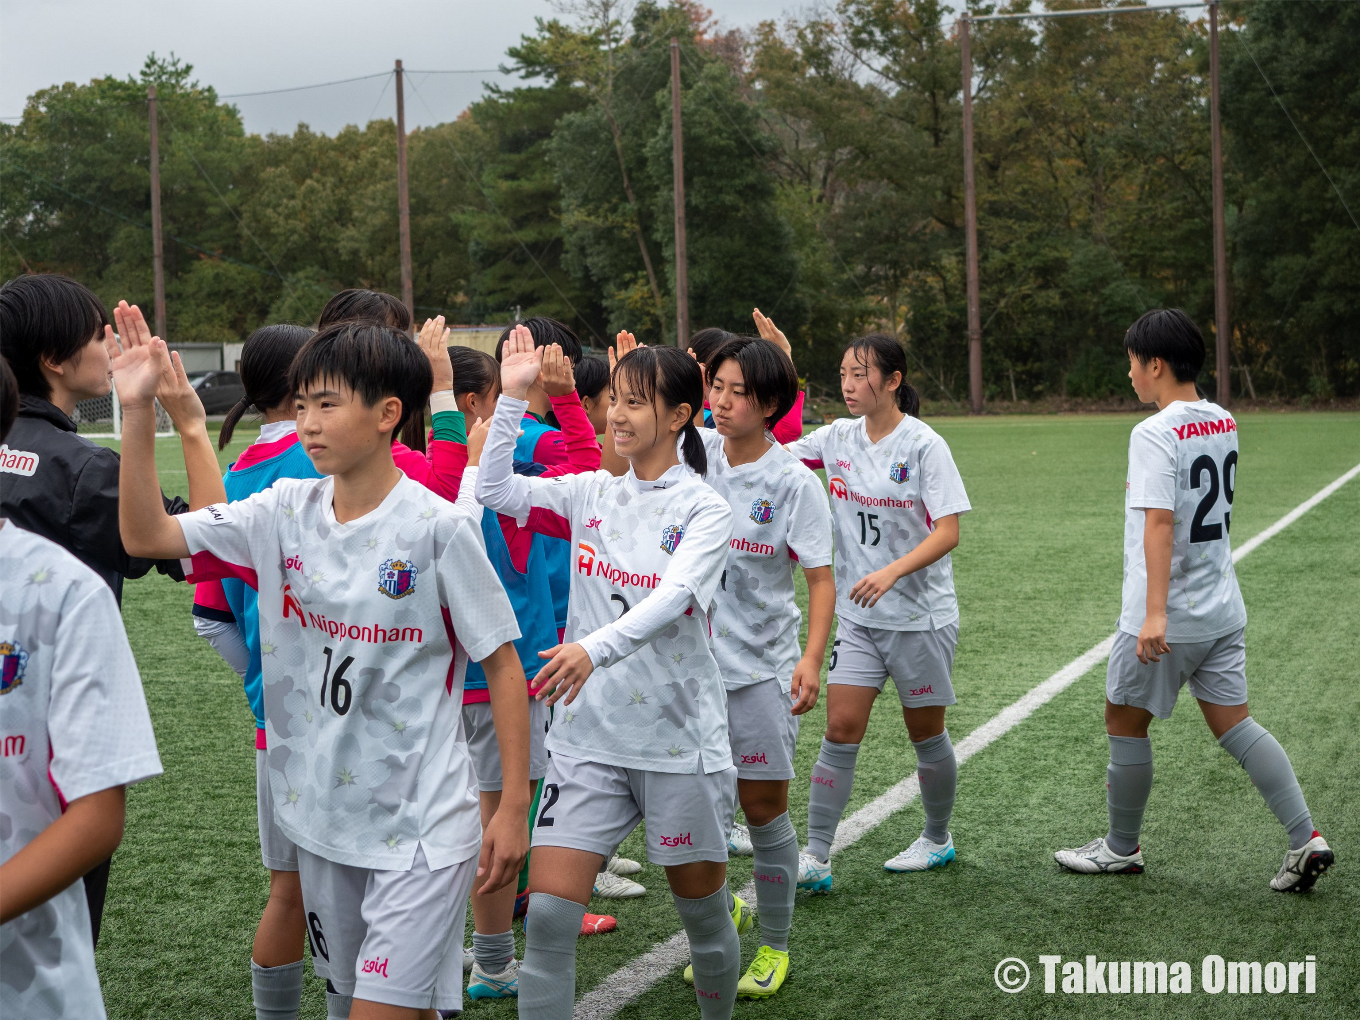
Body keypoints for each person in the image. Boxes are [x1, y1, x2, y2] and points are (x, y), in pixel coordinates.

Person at [115, 320, 532, 1020]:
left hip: (421, 832)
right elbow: (146, 536)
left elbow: (503, 663)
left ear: (387, 414)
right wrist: (136, 413)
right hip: (319, 821)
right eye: (302, 403)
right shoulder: (281, 510)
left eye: (328, 404)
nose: (307, 421)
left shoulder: (437, 527)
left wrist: (513, 806)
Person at [477, 331, 749, 1020]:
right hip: (588, 742)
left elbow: (676, 597)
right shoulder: (589, 491)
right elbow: (494, 489)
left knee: (705, 921)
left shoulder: (704, 508)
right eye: (616, 401)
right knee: (545, 922)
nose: (617, 416)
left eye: (636, 403)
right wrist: (510, 398)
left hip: (676, 745)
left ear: (681, 416)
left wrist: (592, 649)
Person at [1054, 309, 1333, 891]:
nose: (1129, 373)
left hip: (1169, 616)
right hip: (1221, 609)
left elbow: (1160, 522)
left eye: (1132, 361)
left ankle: (1121, 849)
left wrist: (1154, 613)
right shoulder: (1223, 419)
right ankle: (1305, 837)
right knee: (1236, 724)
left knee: (1123, 721)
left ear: (1154, 364)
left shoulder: (1152, 432)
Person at [416, 335, 622, 1001]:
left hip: (452, 675)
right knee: (503, 813)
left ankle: (472, 952)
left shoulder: (426, 474)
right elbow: (596, 470)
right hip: (512, 673)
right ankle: (495, 959)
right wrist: (562, 402)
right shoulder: (507, 468)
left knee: (473, 808)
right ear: (477, 402)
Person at [0, 275, 186, 946]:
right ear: (54, 359)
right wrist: (183, 418)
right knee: (52, 938)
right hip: (53, 740)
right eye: (95, 333)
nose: (107, 345)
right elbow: (198, 551)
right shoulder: (84, 469)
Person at [786, 334, 971, 890]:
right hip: (859, 620)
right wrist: (782, 367)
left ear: (893, 380)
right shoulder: (837, 437)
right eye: (843, 373)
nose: (847, 384)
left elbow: (949, 531)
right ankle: (816, 857)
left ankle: (937, 838)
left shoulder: (923, 445)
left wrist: (892, 571)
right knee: (840, 728)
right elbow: (775, 453)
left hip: (920, 619)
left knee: (926, 734)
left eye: (861, 373)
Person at [686, 336, 835, 998]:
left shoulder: (793, 481)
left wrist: (809, 661)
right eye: (715, 386)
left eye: (736, 391)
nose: (719, 402)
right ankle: (722, 928)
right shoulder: (695, 456)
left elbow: (821, 582)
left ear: (771, 403)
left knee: (764, 808)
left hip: (763, 673)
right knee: (698, 810)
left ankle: (774, 945)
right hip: (693, 671)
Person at [187, 323, 318, 1020]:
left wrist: (263, 683)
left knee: (288, 894)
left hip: (279, 721)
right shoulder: (328, 461)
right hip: (355, 718)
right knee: (370, 896)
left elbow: (209, 615)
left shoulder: (235, 474)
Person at [686, 310, 806, 444]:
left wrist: (780, 362)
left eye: (738, 392)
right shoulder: (694, 412)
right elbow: (788, 432)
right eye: (718, 386)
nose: (722, 403)